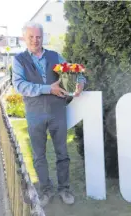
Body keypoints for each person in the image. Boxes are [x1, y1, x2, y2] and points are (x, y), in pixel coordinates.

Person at [12, 22, 86, 207]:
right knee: (39, 155)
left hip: (57, 112)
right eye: (31, 37)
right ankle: (46, 190)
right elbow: (20, 85)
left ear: (42, 37)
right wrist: (48, 89)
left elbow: (75, 71)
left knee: (62, 153)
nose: (35, 40)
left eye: (38, 37)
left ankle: (64, 189)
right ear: (24, 38)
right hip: (35, 114)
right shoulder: (19, 60)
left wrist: (81, 82)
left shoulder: (55, 56)